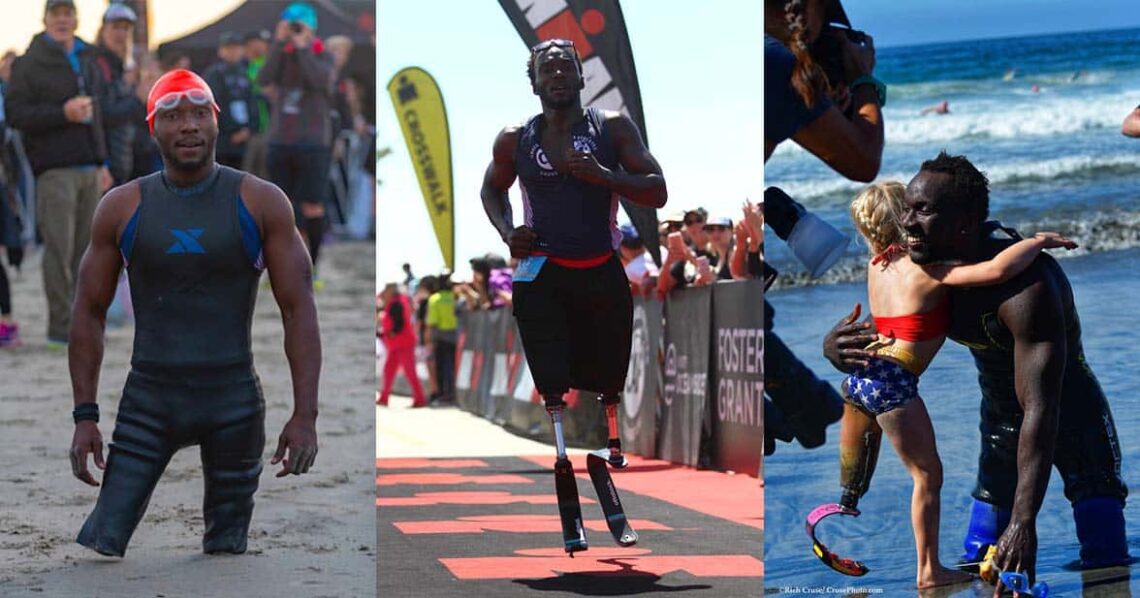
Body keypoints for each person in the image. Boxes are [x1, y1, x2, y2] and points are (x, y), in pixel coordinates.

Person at [823, 152, 1130, 588]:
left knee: (1106, 561)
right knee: (978, 561)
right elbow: (894, 329)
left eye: (922, 212)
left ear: (964, 226)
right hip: (1001, 418)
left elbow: (1041, 407)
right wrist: (837, 349)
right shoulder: (928, 270)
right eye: (906, 208)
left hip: (1068, 411)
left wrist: (1024, 521)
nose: (906, 223)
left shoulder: (1026, 289)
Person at [67, 69, 320, 556]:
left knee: (225, 551)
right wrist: (85, 416)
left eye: (200, 113)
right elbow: (88, 312)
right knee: (102, 542)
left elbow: (298, 311)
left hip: (234, 404)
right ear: (153, 128)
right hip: (149, 403)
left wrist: (304, 415)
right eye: (173, 116)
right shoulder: (122, 206)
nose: (188, 125)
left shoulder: (261, 201)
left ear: (216, 122)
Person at [479, 38, 666, 469]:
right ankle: (561, 450)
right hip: (542, 270)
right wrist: (508, 232)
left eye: (566, 66)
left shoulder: (612, 128)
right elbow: (491, 189)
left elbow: (657, 190)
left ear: (583, 77)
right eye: (548, 69)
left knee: (609, 368)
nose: (558, 74)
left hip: (599, 265)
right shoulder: (515, 138)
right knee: (551, 371)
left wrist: (605, 176)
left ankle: (612, 442)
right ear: (534, 84)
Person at [5, 0, 113, 346]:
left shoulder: (87, 56)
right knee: (58, 251)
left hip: (89, 167)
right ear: (45, 19)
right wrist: (61, 113)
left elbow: (97, 117)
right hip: (54, 168)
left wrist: (103, 162)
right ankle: (61, 328)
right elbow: (17, 114)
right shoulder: (29, 63)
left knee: (88, 253)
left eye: (68, 14)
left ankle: (86, 324)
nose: (63, 20)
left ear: (76, 19)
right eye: (56, 14)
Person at [764, 0, 883, 180]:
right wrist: (863, 79)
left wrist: (821, 103)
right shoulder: (774, 62)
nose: (827, 31)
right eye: (825, 11)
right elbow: (864, 164)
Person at [258, 1, 335, 277]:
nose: (295, 31)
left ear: (312, 29)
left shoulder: (323, 55)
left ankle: (312, 266)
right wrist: (279, 44)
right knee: (281, 205)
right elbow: (264, 78)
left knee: (312, 205)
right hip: (281, 140)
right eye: (292, 26)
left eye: (300, 26)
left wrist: (303, 47)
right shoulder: (282, 54)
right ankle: (283, 265)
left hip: (313, 142)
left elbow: (319, 80)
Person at [93, 2, 141, 188]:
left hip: (122, 162)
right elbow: (102, 114)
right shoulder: (96, 64)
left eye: (126, 28)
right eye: (116, 27)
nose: (121, 34)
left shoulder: (119, 67)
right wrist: (137, 98)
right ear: (103, 29)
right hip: (105, 165)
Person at [203, 32, 255, 170]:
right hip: (222, 137)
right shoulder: (214, 74)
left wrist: (249, 128)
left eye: (237, 48)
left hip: (243, 135)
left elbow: (251, 101)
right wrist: (231, 131)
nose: (234, 52)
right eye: (229, 48)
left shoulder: (244, 72)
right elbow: (213, 104)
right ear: (221, 51)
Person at [377, 282, 426, 408]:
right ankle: (384, 397)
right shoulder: (397, 302)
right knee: (389, 370)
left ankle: (420, 399)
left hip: (403, 343)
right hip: (396, 344)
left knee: (410, 372)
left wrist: (390, 333)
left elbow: (398, 324)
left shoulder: (396, 304)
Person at [242, 29, 272, 180]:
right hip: (247, 129)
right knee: (247, 172)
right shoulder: (242, 66)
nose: (262, 46)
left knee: (265, 174)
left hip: (267, 127)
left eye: (264, 43)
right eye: (258, 42)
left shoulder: (270, 64)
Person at [425, 272, 458, 404]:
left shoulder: (434, 299)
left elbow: (432, 322)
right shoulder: (455, 297)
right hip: (455, 336)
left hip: (440, 337)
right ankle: (452, 393)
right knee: (453, 366)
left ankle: (443, 394)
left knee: (440, 367)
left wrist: (428, 340)